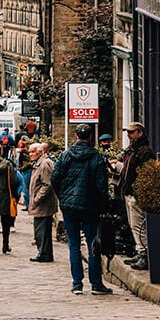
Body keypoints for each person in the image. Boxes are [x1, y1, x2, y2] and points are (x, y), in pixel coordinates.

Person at [50, 124, 114, 295]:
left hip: (69, 206)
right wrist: (103, 207)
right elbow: (102, 186)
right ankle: (96, 284)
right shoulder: (96, 157)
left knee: (74, 244)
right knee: (93, 244)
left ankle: (77, 284)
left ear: (76, 136)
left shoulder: (65, 155)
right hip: (89, 206)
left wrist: (62, 197)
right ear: (91, 137)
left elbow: (54, 179)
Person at [117, 121, 156, 271]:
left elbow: (145, 174)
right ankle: (139, 251)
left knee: (139, 226)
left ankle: (144, 255)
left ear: (140, 133)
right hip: (128, 192)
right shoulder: (132, 149)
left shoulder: (145, 151)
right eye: (127, 132)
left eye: (131, 132)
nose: (128, 135)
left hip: (135, 194)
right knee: (134, 225)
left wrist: (138, 191)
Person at [27, 142, 57, 263]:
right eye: (29, 152)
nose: (30, 154)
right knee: (40, 229)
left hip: (43, 204)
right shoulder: (39, 163)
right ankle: (43, 252)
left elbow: (47, 184)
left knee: (42, 230)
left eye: (32, 151)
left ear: (40, 152)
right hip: (40, 203)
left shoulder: (44, 164)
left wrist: (37, 199)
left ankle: (44, 253)